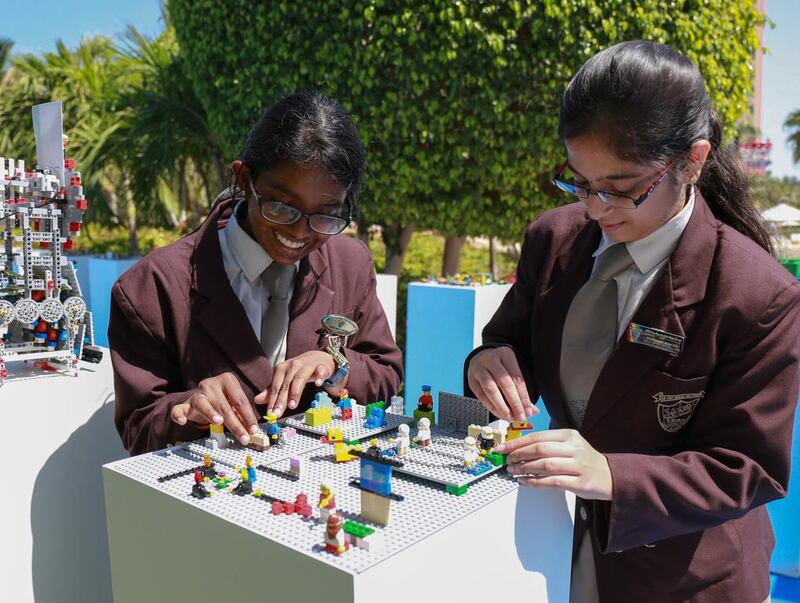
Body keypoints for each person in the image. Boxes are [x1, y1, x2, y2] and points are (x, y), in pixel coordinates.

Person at [465, 41, 800, 602]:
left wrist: (614, 476)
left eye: (621, 189)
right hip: (559, 547)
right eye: (579, 182)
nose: (595, 209)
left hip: (683, 577)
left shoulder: (758, 295)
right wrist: (488, 362)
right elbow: (511, 340)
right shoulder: (553, 239)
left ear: (692, 161)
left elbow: (748, 466)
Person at [110, 92, 402, 455]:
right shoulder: (151, 287)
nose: (298, 232)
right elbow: (138, 428)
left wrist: (336, 366)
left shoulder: (350, 263)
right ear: (244, 179)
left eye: (326, 214)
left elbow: (387, 375)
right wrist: (188, 409)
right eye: (281, 206)